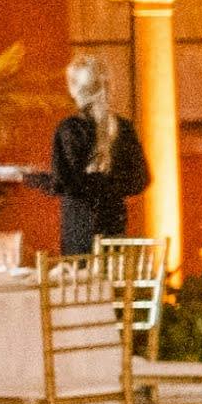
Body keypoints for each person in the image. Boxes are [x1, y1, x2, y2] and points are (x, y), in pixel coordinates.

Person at [39, 53, 149, 257]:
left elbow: (66, 184)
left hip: (80, 230)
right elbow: (141, 180)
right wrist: (108, 186)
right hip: (114, 227)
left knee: (81, 278)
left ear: (74, 89)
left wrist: (30, 178)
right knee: (110, 276)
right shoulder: (124, 128)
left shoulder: (70, 129)